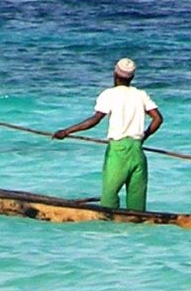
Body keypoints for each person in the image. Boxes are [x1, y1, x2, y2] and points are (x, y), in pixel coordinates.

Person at [53, 58, 163, 210]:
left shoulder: (109, 94)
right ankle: (138, 226)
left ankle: (111, 227)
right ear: (132, 77)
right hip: (137, 151)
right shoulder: (141, 95)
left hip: (118, 151)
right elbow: (158, 119)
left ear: (115, 75)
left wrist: (66, 131)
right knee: (137, 199)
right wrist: (144, 136)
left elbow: (95, 120)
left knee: (109, 196)